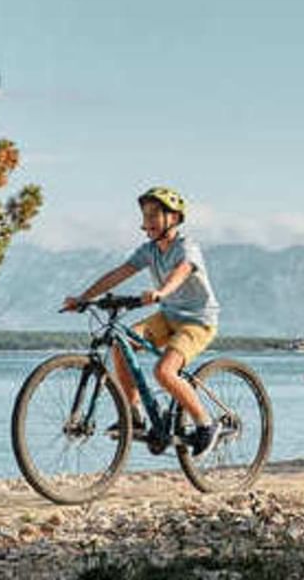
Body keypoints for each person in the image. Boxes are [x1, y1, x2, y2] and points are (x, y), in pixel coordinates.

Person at [62, 187, 223, 456]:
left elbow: (182, 271)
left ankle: (206, 424)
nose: (147, 221)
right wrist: (83, 298)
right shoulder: (149, 251)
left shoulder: (186, 246)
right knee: (120, 345)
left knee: (164, 372)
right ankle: (134, 416)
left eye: (154, 215)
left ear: (172, 218)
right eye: (145, 215)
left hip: (197, 321)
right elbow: (119, 273)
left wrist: (161, 292)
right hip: (168, 316)